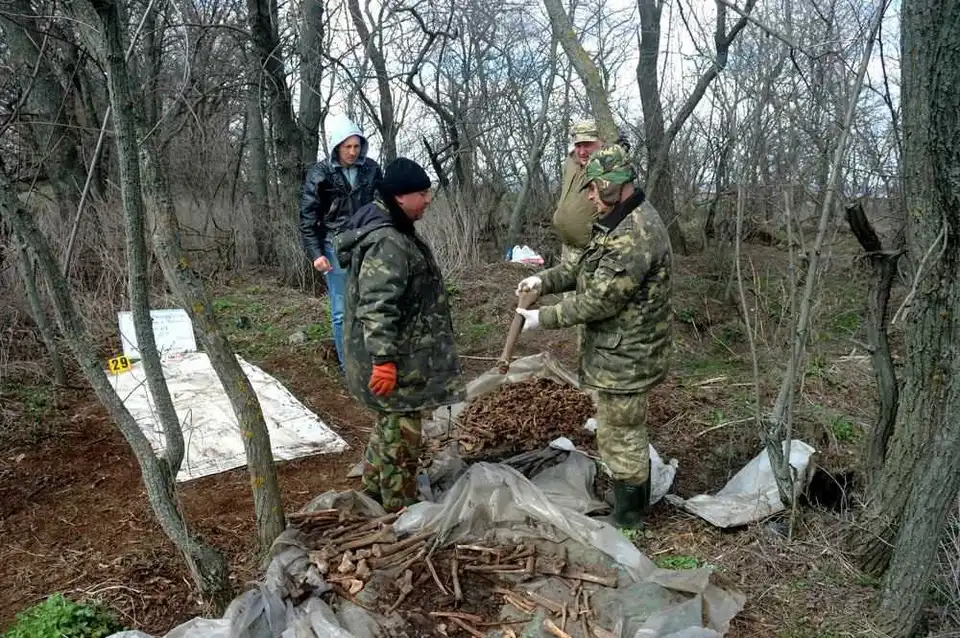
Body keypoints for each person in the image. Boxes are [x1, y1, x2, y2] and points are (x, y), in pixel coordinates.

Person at [513, 145, 673, 529]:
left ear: (611, 186)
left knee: (623, 436)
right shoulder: (614, 222)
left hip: (629, 356)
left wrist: (542, 318)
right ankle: (627, 501)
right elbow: (581, 269)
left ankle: (630, 517)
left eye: (593, 188)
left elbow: (600, 300)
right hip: (615, 352)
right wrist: (543, 279)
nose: (587, 196)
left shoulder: (634, 234)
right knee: (615, 431)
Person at [334, 157, 463, 512]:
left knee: (390, 424)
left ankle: (374, 491)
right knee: (402, 437)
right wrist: (384, 362)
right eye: (422, 193)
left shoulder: (395, 228)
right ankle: (399, 510)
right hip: (392, 358)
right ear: (401, 197)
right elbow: (377, 306)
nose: (428, 199)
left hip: (400, 351)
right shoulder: (387, 240)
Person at [299, 118, 382, 374]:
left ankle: (375, 362)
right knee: (341, 310)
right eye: (348, 146)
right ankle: (351, 368)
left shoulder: (371, 169)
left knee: (373, 303)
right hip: (335, 245)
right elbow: (308, 217)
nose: (353, 152)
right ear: (337, 146)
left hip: (368, 242)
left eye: (357, 146)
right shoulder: (320, 173)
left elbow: (383, 201)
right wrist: (316, 254)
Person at [552, 119, 606, 268]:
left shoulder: (608, 167)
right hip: (568, 248)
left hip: (592, 252)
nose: (582, 151)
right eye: (578, 145)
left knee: (588, 291)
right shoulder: (570, 162)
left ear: (600, 142)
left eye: (587, 145)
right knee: (567, 289)